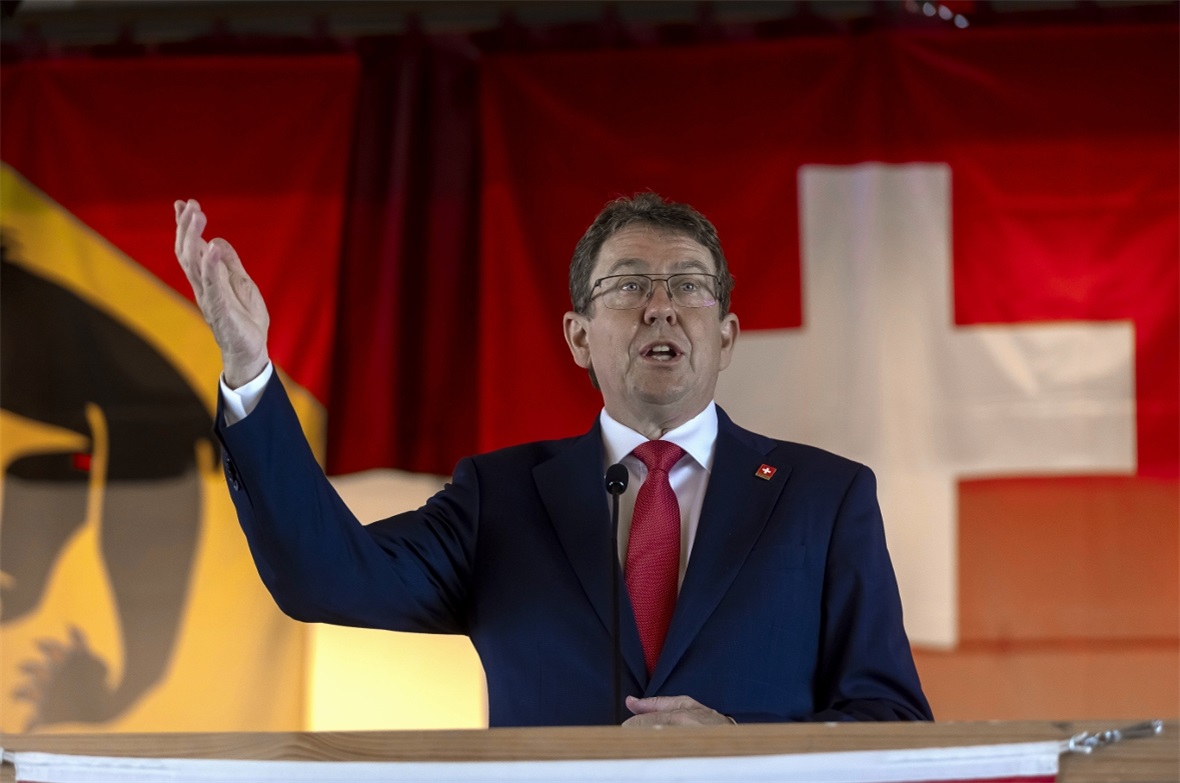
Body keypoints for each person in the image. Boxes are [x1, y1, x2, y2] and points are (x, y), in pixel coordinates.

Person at [174, 192, 932, 727]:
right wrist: (250, 370)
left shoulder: (824, 499)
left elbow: (892, 721)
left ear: (727, 336)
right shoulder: (500, 499)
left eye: (690, 287)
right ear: (577, 336)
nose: (661, 305)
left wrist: (737, 749)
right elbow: (324, 574)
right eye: (630, 283)